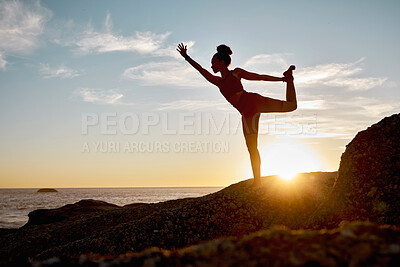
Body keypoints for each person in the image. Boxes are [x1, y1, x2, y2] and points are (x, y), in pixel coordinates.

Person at [177, 43, 297, 186]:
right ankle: (257, 181)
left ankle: (289, 78)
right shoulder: (218, 82)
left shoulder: (236, 73)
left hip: (254, 102)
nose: (211, 66)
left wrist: (281, 79)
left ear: (222, 63)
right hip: (246, 114)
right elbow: (200, 70)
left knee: (292, 106)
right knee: (251, 147)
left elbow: (259, 77)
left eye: (213, 63)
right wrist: (186, 57)